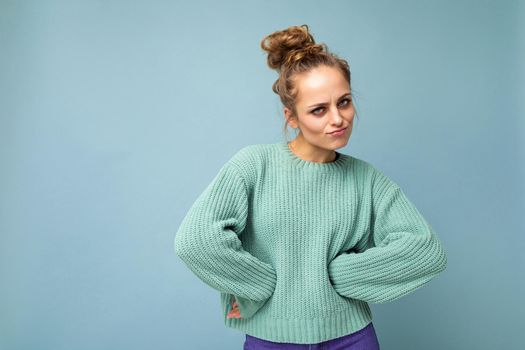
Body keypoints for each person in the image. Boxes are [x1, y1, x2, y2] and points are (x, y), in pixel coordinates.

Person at [174, 24, 447, 349]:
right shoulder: (253, 166)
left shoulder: (367, 179)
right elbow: (195, 241)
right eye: (319, 109)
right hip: (271, 339)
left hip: (353, 337)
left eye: (344, 102)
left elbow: (425, 250)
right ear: (292, 117)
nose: (338, 118)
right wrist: (257, 285)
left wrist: (341, 274)